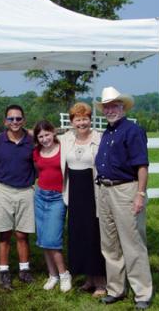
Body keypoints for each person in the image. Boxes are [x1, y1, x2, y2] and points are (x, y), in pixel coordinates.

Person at [95, 87, 153, 310]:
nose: (110, 110)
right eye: (107, 106)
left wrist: (140, 194)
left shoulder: (133, 130)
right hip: (105, 190)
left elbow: (142, 166)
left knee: (133, 243)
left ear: (122, 107)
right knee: (109, 244)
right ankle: (116, 289)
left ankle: (142, 293)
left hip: (125, 190)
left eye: (114, 105)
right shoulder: (107, 132)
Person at [60, 103, 106, 297]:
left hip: (93, 192)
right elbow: (41, 137)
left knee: (95, 236)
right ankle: (88, 278)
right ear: (71, 122)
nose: (82, 122)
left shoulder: (100, 138)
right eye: (77, 119)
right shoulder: (65, 139)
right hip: (74, 193)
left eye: (85, 118)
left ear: (90, 119)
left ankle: (102, 282)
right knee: (79, 236)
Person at [0, 104, 35, 290]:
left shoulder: (32, 141)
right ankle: (4, 272)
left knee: (22, 234)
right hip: (3, 190)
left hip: (26, 190)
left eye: (18, 118)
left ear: (23, 120)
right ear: (5, 121)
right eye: (11, 119)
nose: (14, 122)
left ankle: (24, 271)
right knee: (5, 234)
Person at [33, 120, 72, 292]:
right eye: (40, 136)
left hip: (58, 197)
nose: (44, 139)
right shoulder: (36, 152)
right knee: (43, 240)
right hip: (40, 196)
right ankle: (52, 275)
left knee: (53, 239)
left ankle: (64, 274)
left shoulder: (64, 148)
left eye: (47, 134)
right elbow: (37, 171)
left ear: (53, 132)